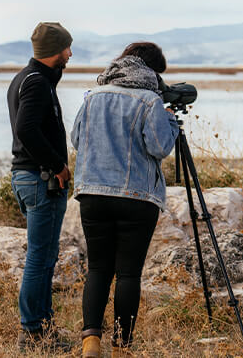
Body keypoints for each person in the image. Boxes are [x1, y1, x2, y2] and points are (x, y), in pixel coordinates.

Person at [70, 42, 180, 358]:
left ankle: (91, 340)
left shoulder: (93, 96)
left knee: (98, 268)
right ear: (151, 71)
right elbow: (159, 147)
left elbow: (77, 139)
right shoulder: (149, 100)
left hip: (93, 194)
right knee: (128, 273)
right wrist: (170, 120)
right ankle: (123, 347)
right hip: (136, 196)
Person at [8, 21, 75, 352]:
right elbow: (27, 130)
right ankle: (33, 333)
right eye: (66, 48)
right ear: (53, 51)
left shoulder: (25, 78)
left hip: (28, 178)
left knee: (45, 255)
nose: (70, 54)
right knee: (40, 256)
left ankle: (42, 328)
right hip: (39, 179)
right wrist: (58, 166)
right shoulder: (36, 83)